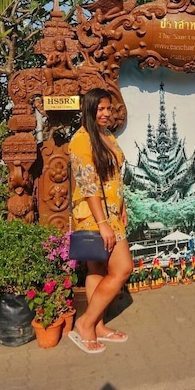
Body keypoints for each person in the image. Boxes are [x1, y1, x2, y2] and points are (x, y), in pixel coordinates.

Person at [68, 88, 133, 353]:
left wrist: (122, 205)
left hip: (111, 213)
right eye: (100, 109)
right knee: (123, 268)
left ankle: (98, 325)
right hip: (95, 216)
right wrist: (104, 222)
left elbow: (114, 176)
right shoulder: (81, 140)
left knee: (98, 270)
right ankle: (84, 323)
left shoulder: (107, 136)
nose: (105, 113)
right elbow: (88, 185)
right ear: (89, 109)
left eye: (108, 108)